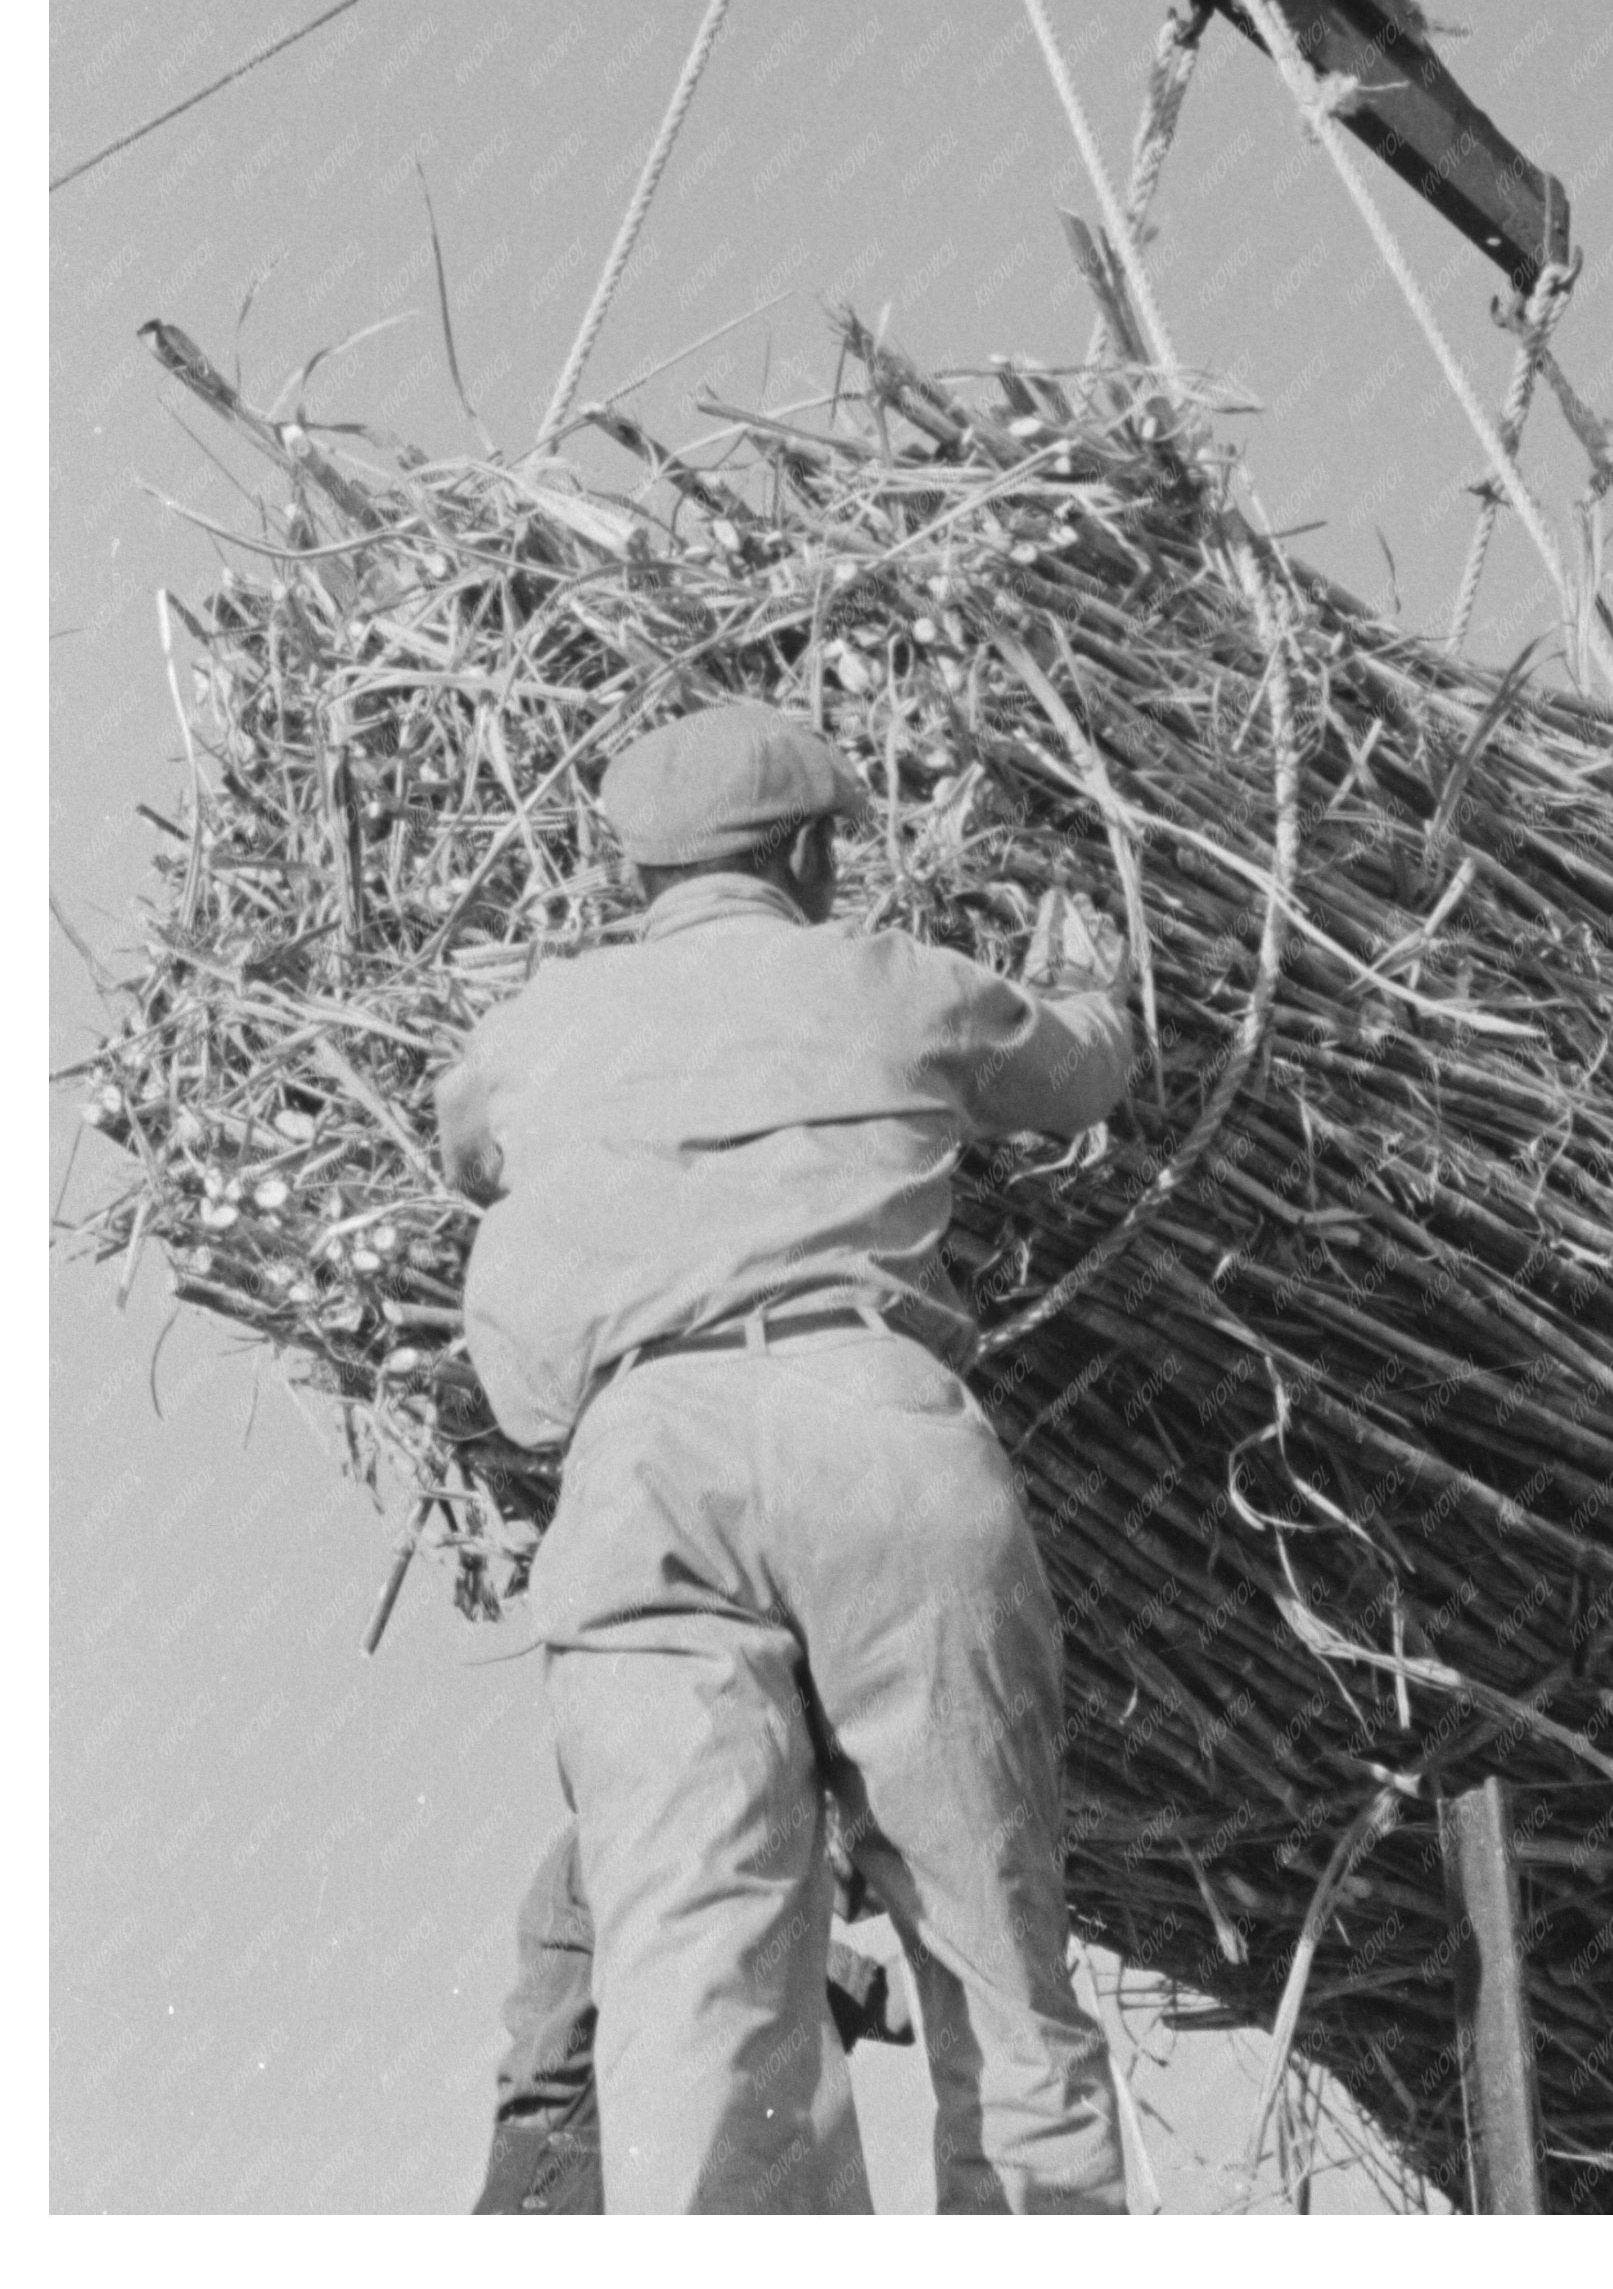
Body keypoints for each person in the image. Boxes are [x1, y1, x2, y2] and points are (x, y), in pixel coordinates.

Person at [435, 697, 1133, 2215]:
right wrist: (1085, 954)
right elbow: (1084, 1073)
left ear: (637, 872)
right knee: (990, 1964)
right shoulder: (893, 982)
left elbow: (467, 1141)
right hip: (870, 1436)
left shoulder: (535, 1028)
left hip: (641, 1476)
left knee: (693, 1986)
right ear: (813, 850)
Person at [472, 1817, 913, 2215]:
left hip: (590, 2164)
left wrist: (961, 1948)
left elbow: (885, 2002)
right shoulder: (654, 1841)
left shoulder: (744, 1918)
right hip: (565, 2169)